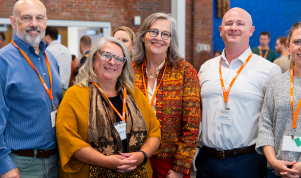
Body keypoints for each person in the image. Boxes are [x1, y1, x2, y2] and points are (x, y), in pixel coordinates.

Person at [56, 36, 161, 178]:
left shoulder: (134, 94)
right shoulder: (74, 95)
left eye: (119, 58)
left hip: (137, 172)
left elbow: (154, 131)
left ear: (124, 65)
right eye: (106, 55)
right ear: (93, 59)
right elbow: (67, 139)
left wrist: (142, 155)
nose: (112, 62)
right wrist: (105, 161)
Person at [197, 8, 281, 178]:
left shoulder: (269, 70)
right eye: (228, 23)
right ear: (220, 31)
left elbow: (275, 120)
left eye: (240, 23)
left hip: (246, 162)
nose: (233, 27)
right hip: (206, 160)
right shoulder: (206, 68)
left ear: (251, 31)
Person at [132, 12, 201, 178]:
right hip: (133, 156)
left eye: (165, 34)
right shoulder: (129, 70)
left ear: (171, 41)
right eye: (153, 32)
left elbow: (192, 125)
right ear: (143, 37)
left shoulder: (185, 72)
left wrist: (180, 167)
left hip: (169, 162)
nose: (159, 38)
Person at [0, 0, 62, 177]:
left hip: (54, 162)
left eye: (39, 18)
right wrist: (4, 165)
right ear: (13, 22)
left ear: (45, 22)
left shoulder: (51, 59)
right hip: (20, 165)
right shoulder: (2, 61)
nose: (34, 23)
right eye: (26, 18)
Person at [256, 21, 301, 178]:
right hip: (277, 170)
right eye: (297, 42)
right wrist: (273, 161)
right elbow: (265, 125)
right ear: (288, 46)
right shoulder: (276, 83)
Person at [43, 26, 72, 93]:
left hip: (53, 90)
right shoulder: (67, 50)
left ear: (48, 37)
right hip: (66, 90)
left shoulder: (47, 51)